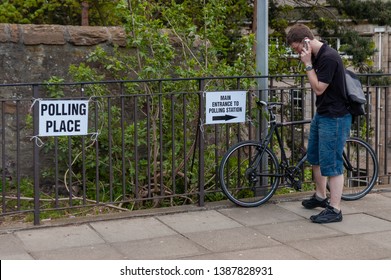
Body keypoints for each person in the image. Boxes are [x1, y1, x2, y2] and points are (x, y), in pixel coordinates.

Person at [286, 24, 352, 223]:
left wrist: (307, 64)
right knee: (314, 157)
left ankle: (335, 209)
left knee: (332, 164)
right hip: (322, 114)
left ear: (306, 41)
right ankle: (321, 196)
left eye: (297, 48)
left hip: (335, 116)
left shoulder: (329, 58)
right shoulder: (316, 55)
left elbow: (318, 88)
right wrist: (308, 61)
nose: (297, 53)